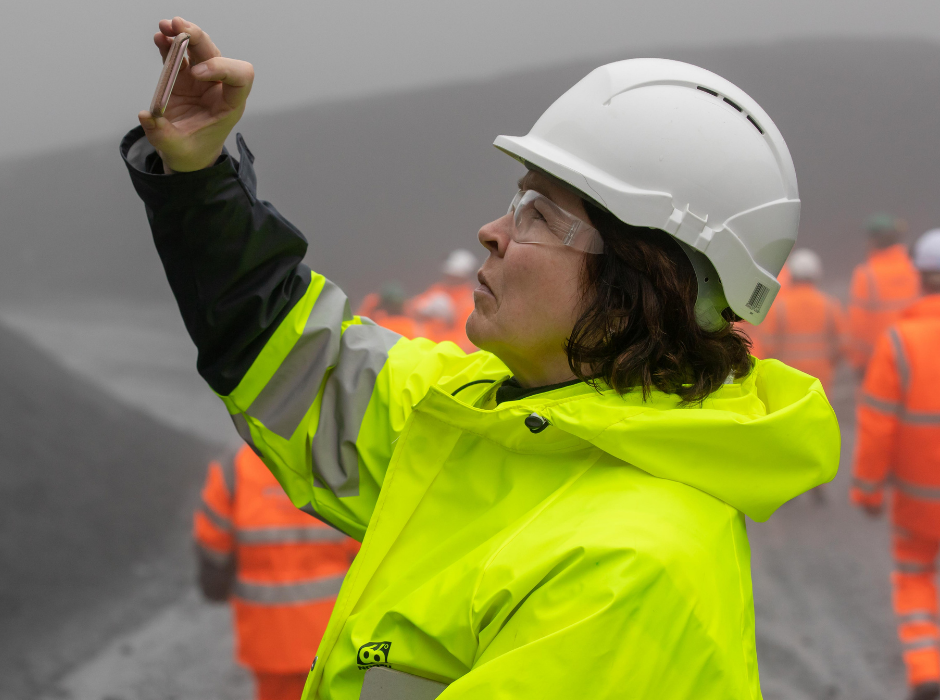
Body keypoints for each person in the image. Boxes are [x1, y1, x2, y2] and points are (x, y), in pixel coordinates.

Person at [126, 18, 837, 699]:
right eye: (515, 200)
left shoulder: (627, 572)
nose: (493, 231)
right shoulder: (489, 415)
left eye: (539, 214)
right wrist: (201, 175)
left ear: (641, 280)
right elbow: (298, 360)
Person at [852, 228, 940, 700]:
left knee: (915, 577)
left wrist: (868, 489)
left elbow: (877, 425)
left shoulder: (899, 342)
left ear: (920, 277)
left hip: (917, 501)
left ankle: (924, 668)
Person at [195, 444, 361, 700]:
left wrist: (215, 576)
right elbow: (367, 543)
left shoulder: (233, 470)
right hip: (332, 635)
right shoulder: (338, 468)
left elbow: (213, 547)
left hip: (269, 639)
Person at [749, 249, 845, 399]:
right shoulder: (830, 305)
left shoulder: (779, 307)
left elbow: (767, 344)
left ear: (792, 275)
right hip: (820, 379)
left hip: (788, 377)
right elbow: (841, 344)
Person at [847, 213, 921, 375]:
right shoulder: (915, 269)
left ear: (873, 240)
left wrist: (859, 361)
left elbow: (858, 324)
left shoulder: (865, 275)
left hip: (880, 360)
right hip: (917, 355)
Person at [405, 250, 480, 350]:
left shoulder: (470, 301)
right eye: (449, 274)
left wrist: (451, 318)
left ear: (464, 277)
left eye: (455, 276)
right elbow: (409, 308)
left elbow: (466, 342)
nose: (450, 278)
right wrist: (424, 309)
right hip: (425, 346)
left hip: (446, 351)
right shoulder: (438, 289)